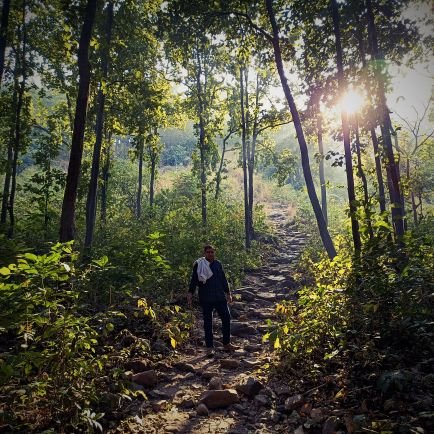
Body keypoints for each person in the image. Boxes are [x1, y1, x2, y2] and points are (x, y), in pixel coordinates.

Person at [188, 244, 237, 357]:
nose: (210, 254)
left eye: (212, 252)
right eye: (208, 252)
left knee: (226, 318)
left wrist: (228, 293)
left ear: (214, 253)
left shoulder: (218, 264)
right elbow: (194, 279)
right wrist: (190, 292)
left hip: (219, 296)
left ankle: (226, 343)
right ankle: (209, 347)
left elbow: (223, 279)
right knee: (208, 323)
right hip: (206, 298)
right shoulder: (199, 265)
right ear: (204, 253)